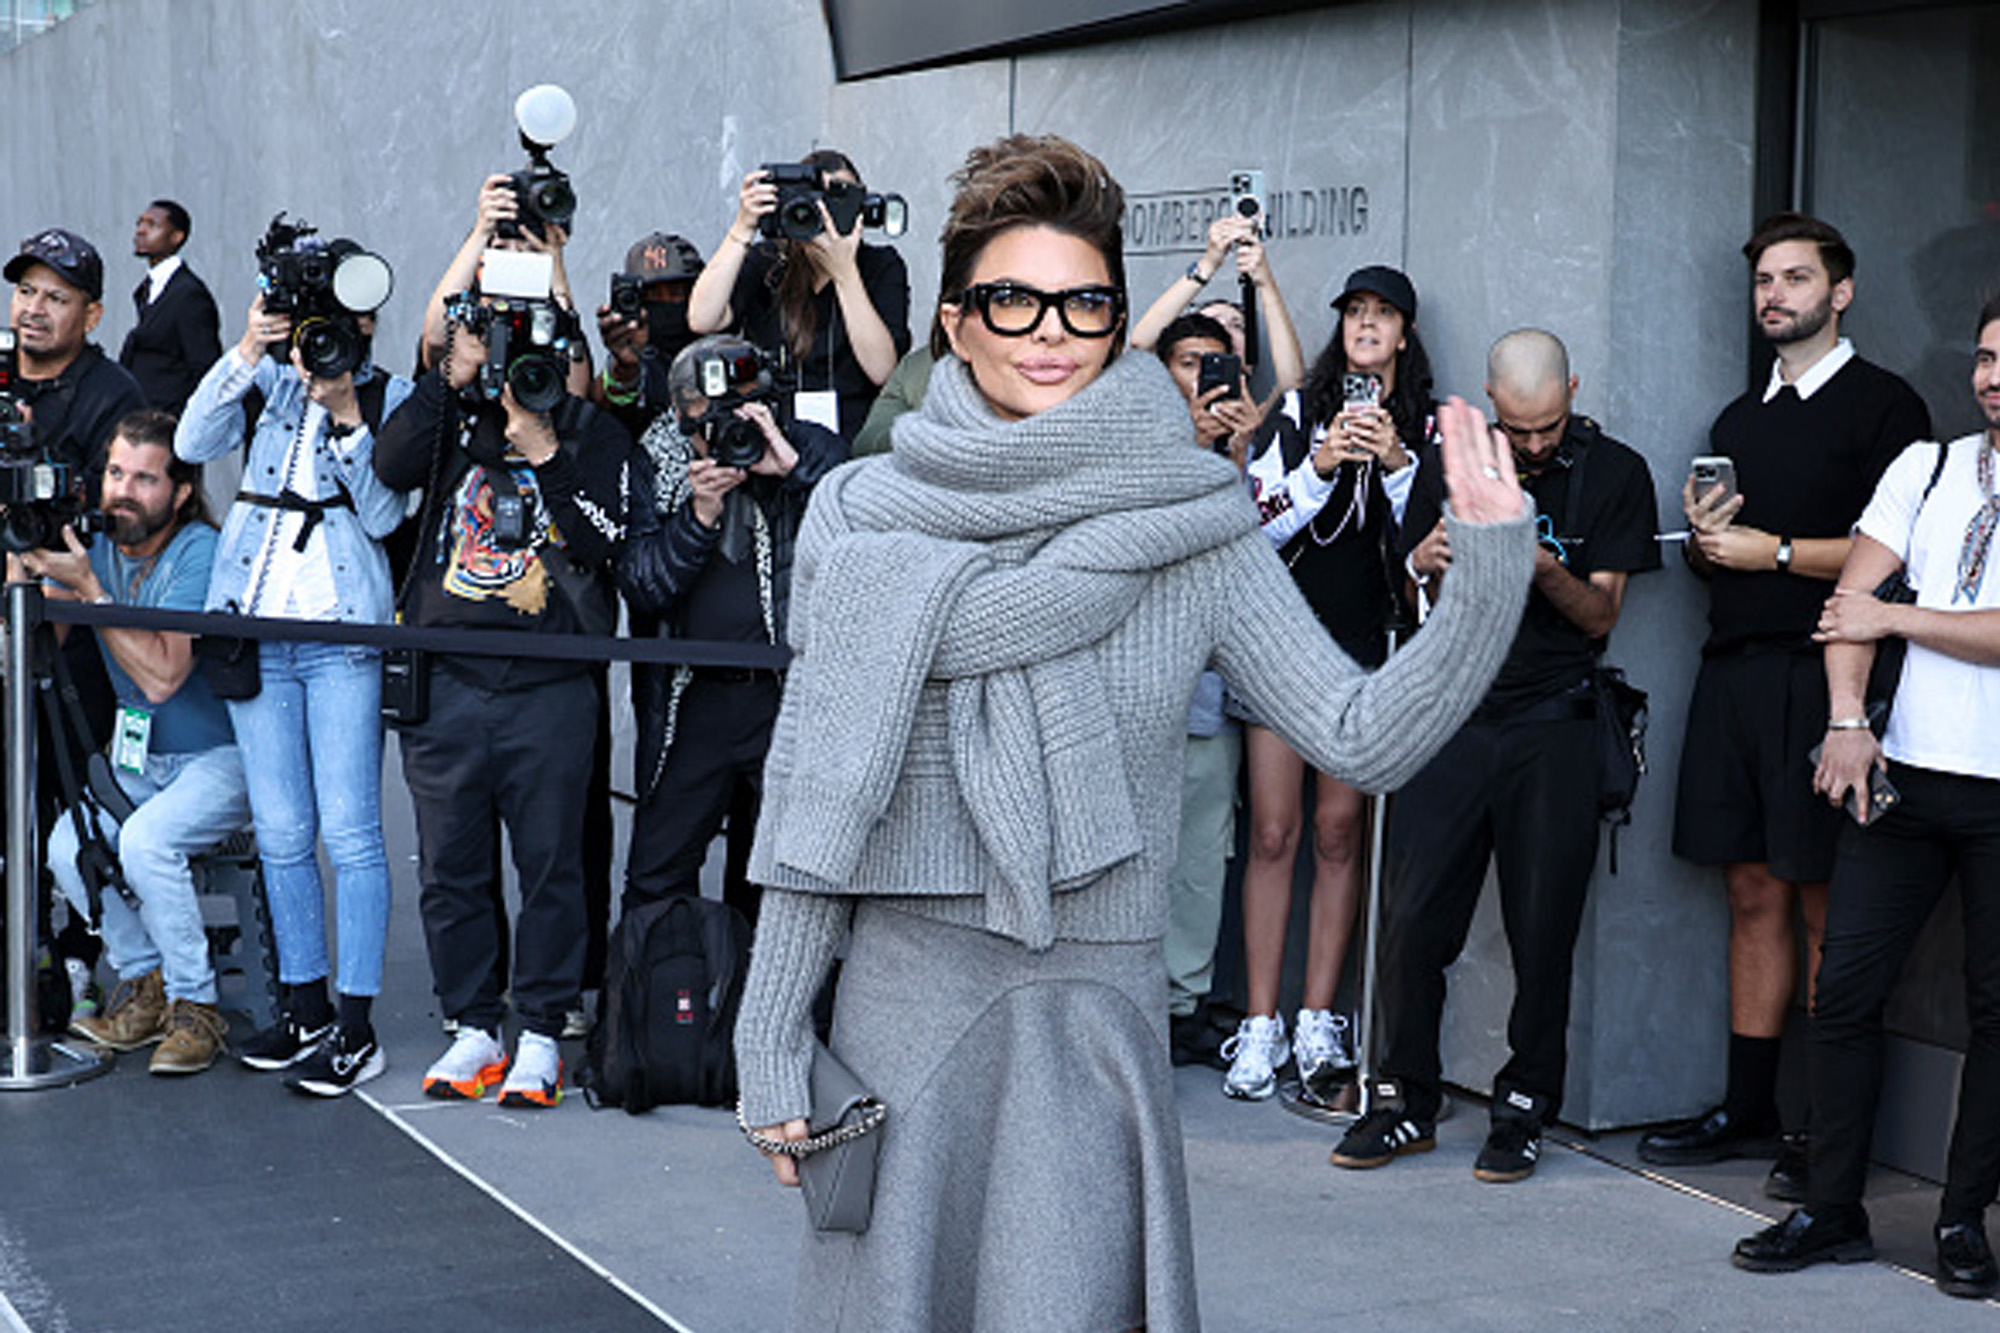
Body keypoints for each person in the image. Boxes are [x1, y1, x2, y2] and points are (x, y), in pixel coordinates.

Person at [732, 132, 1533, 1333]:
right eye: (1012, 299)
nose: (1048, 329)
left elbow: (1360, 739)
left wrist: (1482, 569)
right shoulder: (863, 514)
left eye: (1083, 302)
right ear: (954, 322)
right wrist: (766, 1036)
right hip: (901, 1008)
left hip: (1092, 1012)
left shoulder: (1196, 524)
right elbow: (821, 793)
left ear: (1118, 324)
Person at [1645, 214, 1932, 1198]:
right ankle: (1746, 1107)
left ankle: (1817, 1130)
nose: (1774, 294)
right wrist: (1707, 539)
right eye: (1763, 279)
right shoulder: (1734, 421)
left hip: (1825, 677)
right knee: (1748, 890)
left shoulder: (1884, 409)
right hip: (1729, 670)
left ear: (1839, 292)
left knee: (1821, 901)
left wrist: (1764, 549)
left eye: (1795, 278)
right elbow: (1728, 549)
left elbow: (1886, 559)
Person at [1330, 329, 1660, 1181]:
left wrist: (1533, 557)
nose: (1535, 444)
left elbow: (1598, 616)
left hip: (1553, 722)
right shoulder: (1453, 457)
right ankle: (1406, 1097)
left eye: (1548, 425)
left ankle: (1522, 1106)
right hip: (1451, 714)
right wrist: (1423, 559)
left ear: (1573, 391)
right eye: (1518, 430)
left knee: (1540, 931)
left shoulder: (1615, 473)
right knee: (1409, 918)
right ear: (1489, 403)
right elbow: (1405, 583)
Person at [1731, 296, 2000, 1299]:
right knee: (1841, 992)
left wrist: (1897, 616)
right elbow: (1845, 608)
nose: (1987, 377)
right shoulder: (1923, 467)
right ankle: (1829, 1207)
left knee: (1993, 1011)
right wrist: (1846, 718)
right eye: (1979, 357)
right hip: (1903, 777)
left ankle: (1962, 1220)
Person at [373, 277, 634, 1110]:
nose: (528, 370)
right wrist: (449, 377)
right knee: (450, 864)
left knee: (553, 866)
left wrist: (548, 450)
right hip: (447, 677)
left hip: (551, 685)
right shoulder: (457, 417)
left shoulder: (596, 436)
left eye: (548, 356)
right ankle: (473, 1023)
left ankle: (544, 1028)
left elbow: (608, 543)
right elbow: (390, 464)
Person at [174, 256, 413, 1097]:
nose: (325, 341)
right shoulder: (271, 383)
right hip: (257, 631)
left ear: (370, 325)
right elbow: (189, 442)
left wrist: (346, 412)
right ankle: (303, 1008)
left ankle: (356, 1025)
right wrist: (247, 347)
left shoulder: (393, 397)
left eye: (342, 326)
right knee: (280, 833)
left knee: (349, 834)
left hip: (342, 635)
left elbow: (387, 515)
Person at [1220, 264, 1431, 1103]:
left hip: (1364, 650)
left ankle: (1318, 1019)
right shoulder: (1300, 410)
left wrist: (1395, 461)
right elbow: (1257, 527)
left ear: (1405, 334)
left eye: (1383, 315)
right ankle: (1261, 1023)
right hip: (1285, 645)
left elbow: (1425, 544)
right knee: (1273, 832)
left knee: (1340, 833)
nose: (1367, 326)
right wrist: (1319, 463)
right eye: (1355, 314)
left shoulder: (1417, 421)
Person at [23, 411, 249, 1075]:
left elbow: (161, 677)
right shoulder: (97, 550)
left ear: (179, 492)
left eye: (145, 479)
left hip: (220, 759)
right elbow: (29, 645)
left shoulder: (199, 549)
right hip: (144, 762)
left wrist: (89, 590)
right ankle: (148, 980)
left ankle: (197, 1006)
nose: (123, 491)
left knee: (149, 842)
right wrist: (26, 557)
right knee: (64, 847)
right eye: (116, 473)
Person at [616, 335, 845, 926]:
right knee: (657, 869)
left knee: (789, 872)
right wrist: (698, 517)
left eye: (737, 418)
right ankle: (657, 1004)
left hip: (787, 694)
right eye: (703, 425)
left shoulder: (803, 445)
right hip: (691, 697)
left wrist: (792, 469)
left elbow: (860, 531)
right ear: (678, 419)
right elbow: (642, 585)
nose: (720, 437)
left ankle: (783, 1012)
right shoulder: (657, 457)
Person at [1153, 312, 1258, 1066]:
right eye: (1190, 361)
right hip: (1131, 687)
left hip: (1208, 687)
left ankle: (1183, 1005)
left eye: (1216, 365)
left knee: (1198, 854)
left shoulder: (1251, 453)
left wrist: (1241, 455)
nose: (1202, 379)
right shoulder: (1130, 440)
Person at [687, 149, 911, 441]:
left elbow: (882, 370)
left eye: (838, 201)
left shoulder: (880, 265)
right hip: (778, 445)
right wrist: (743, 227)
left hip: (854, 447)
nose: (826, 215)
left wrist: (844, 272)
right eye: (816, 203)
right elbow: (702, 319)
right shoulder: (768, 262)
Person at [5, 228, 147, 482]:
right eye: (26, 291)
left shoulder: (113, 396)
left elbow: (116, 504)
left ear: (91, 317)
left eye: (55, 299)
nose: (34, 309)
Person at [1129, 212, 1307, 403]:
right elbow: (1140, 344)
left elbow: (1291, 384)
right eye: (1212, 323)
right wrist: (1209, 263)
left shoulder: (1255, 417)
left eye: (1237, 326)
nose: (1224, 331)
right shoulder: (1161, 414)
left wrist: (1264, 282)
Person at [593, 230, 706, 437]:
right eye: (652, 295)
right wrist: (626, 368)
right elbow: (605, 409)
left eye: (676, 292)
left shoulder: (723, 352)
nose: (666, 303)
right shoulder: (636, 363)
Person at [117, 200, 222, 415]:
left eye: (152, 225)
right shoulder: (148, 288)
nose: (141, 231)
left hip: (167, 422)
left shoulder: (189, 294)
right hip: (142, 417)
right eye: (139, 223)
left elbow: (204, 366)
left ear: (177, 237)